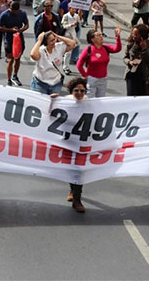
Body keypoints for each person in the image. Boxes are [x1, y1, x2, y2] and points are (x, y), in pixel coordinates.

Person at [64, 77, 88, 212]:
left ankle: (77, 200)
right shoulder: (65, 101)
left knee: (79, 170)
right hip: (68, 140)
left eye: (82, 91)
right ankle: (72, 190)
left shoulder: (90, 103)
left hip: (82, 142)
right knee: (71, 168)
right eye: (76, 91)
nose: (79, 93)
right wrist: (52, 100)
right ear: (71, 91)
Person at [76, 27, 122, 98]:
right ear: (92, 39)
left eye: (101, 35)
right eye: (98, 35)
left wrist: (117, 37)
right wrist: (85, 75)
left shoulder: (105, 48)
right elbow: (79, 65)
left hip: (103, 79)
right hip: (92, 79)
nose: (101, 37)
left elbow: (117, 49)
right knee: (89, 100)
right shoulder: (88, 49)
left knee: (100, 100)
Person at [30, 31, 79, 96]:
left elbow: (72, 43)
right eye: (51, 41)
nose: (54, 42)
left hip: (56, 84)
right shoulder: (40, 50)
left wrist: (57, 36)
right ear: (45, 42)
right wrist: (39, 41)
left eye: (54, 39)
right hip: (40, 84)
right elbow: (33, 55)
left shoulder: (58, 47)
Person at [0, 1, 29, 87]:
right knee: (11, 59)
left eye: (14, 11)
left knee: (17, 58)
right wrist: (10, 30)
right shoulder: (4, 14)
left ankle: (15, 75)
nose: (12, 11)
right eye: (11, 9)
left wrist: (21, 30)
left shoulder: (22, 13)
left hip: (19, 39)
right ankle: (9, 79)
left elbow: (27, 25)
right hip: (9, 39)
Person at [123, 24, 149, 96]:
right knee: (131, 97)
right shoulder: (130, 44)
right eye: (132, 34)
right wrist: (129, 62)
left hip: (145, 75)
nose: (133, 36)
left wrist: (144, 49)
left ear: (142, 35)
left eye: (136, 35)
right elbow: (125, 58)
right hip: (132, 74)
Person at [60, 5, 82, 75]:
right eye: (73, 9)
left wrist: (80, 13)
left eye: (75, 9)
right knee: (68, 52)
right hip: (67, 35)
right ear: (69, 9)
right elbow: (64, 26)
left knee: (70, 51)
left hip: (73, 35)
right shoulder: (66, 16)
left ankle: (65, 63)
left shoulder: (76, 16)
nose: (74, 10)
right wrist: (71, 25)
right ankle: (65, 67)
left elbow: (79, 21)